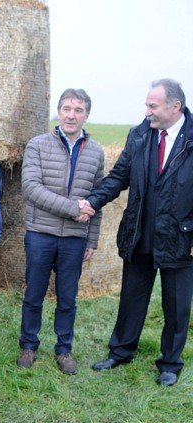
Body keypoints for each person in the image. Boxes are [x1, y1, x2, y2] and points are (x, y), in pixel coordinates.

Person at [85, 79, 193, 387]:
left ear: (176, 107)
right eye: (147, 105)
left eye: (152, 106)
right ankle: (120, 352)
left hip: (180, 238)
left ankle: (170, 363)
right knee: (131, 298)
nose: (147, 111)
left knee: (176, 305)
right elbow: (119, 176)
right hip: (140, 232)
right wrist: (92, 202)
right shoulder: (140, 135)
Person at [17, 88, 104, 375]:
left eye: (78, 110)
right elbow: (31, 189)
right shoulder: (38, 145)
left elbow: (97, 200)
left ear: (86, 115)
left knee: (68, 299)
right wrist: (71, 208)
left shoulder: (96, 152)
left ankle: (64, 350)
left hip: (75, 240)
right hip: (41, 234)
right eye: (66, 108)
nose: (71, 114)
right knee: (34, 295)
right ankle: (28, 345)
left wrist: (91, 239)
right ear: (58, 111)